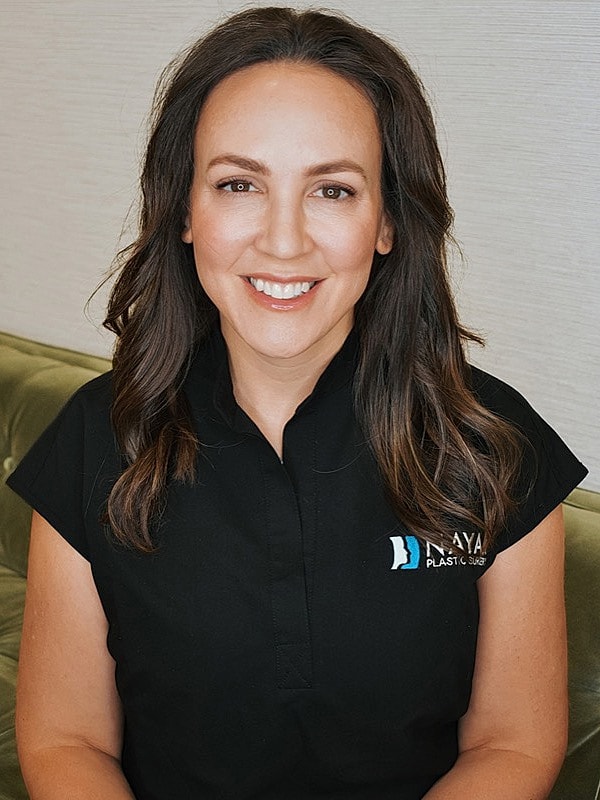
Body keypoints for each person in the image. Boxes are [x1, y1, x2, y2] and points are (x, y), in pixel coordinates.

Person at [8, 7, 587, 799]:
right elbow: (63, 738)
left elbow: (514, 745)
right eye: (239, 184)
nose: (284, 241)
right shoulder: (95, 434)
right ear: (185, 211)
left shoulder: (493, 441)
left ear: (386, 222)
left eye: (333, 190)